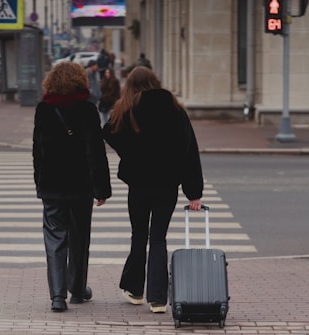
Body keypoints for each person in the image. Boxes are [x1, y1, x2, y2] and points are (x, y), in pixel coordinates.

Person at [102, 66, 204, 314]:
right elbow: (190, 150)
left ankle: (135, 291)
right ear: (155, 82)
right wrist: (194, 192)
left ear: (130, 85)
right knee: (158, 238)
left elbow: (107, 132)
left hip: (138, 185)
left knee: (139, 236)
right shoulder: (175, 109)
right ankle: (158, 299)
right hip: (167, 185)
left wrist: (130, 154)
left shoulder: (127, 110)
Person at [33, 61, 112, 312]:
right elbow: (96, 152)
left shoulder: (43, 109)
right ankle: (77, 289)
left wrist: (40, 182)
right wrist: (102, 189)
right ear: (80, 81)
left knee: (55, 239)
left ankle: (57, 297)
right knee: (80, 237)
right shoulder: (88, 110)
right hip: (81, 185)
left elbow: (38, 151)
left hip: (53, 185)